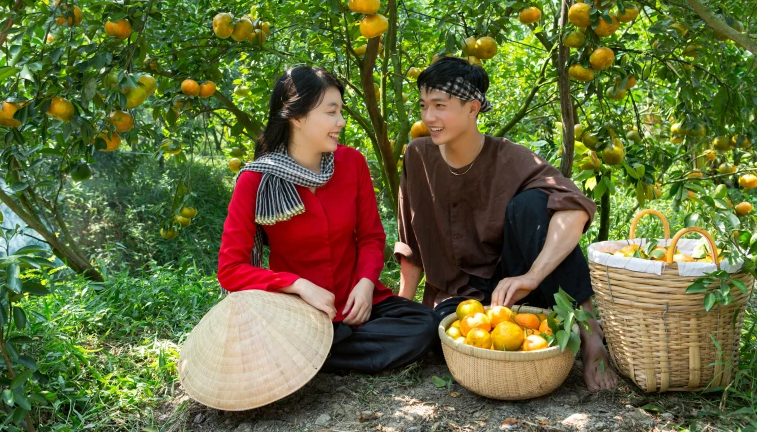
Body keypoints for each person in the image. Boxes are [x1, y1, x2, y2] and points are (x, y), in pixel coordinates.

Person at [394, 57, 619, 391]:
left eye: (439, 106)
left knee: (532, 204)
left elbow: (575, 209)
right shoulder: (417, 155)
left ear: (472, 108)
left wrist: (531, 276)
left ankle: (590, 335)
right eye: (424, 106)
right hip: (461, 296)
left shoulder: (512, 157)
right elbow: (410, 240)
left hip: (522, 289)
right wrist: (404, 310)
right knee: (439, 340)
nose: (429, 117)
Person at [218, 65, 439, 374]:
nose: (341, 122)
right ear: (296, 116)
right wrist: (297, 285)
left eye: (340, 112)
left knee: (425, 324)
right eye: (331, 112)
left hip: (358, 303)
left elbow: (372, 237)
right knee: (299, 337)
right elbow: (231, 270)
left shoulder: (352, 163)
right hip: (300, 311)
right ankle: (319, 348)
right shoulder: (256, 180)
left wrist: (364, 284)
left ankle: (315, 357)